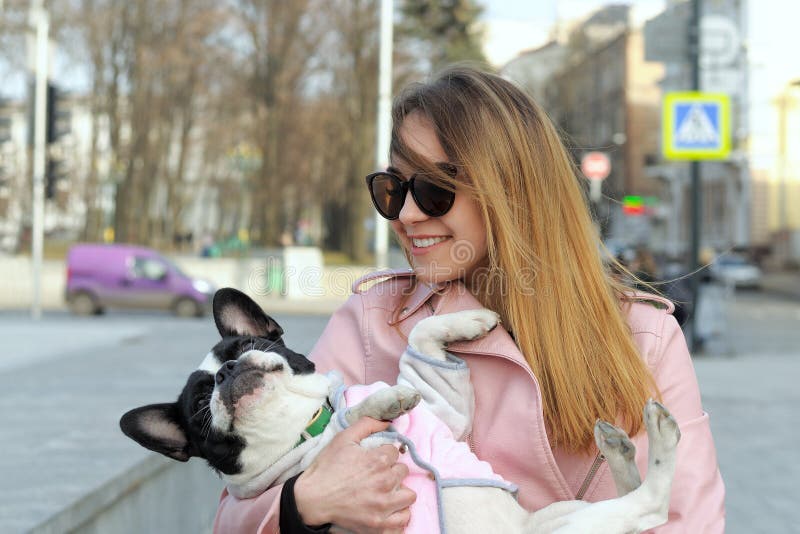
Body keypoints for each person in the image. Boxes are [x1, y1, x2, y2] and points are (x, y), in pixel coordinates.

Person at [214, 66, 725, 533]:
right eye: (393, 189)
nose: (406, 215)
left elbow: (687, 520)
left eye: (435, 189)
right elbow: (236, 508)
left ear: (513, 190)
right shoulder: (371, 324)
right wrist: (304, 502)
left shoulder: (642, 335)